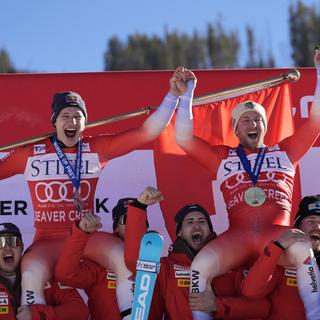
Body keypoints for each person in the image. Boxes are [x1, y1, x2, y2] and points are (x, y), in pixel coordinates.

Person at [0, 67, 190, 314]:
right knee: (31, 271)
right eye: (65, 116)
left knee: (124, 259)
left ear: (85, 123)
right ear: (54, 122)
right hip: (47, 240)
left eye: (78, 117)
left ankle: (132, 315)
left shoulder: (96, 147)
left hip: (87, 238)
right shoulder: (30, 153)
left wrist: (173, 96)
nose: (72, 122)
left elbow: (146, 133)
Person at [174, 51, 320, 319]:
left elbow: (316, 121)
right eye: (246, 121)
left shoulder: (285, 152)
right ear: (236, 130)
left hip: (276, 233)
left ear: (265, 127)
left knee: (303, 250)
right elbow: (183, 139)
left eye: (258, 121)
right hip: (237, 237)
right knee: (199, 267)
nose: (253, 124)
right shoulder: (222, 157)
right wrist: (187, 94)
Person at [124, 189, 271, 319]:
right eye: (189, 222)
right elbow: (136, 264)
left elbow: (262, 308)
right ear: (179, 232)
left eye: (202, 221)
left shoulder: (231, 263)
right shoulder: (165, 268)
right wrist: (139, 207)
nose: (196, 225)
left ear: (210, 230)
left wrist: (218, 305)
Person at [54, 194, 150, 320]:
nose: (134, 224)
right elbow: (65, 274)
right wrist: (81, 233)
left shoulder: (156, 262)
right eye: (127, 220)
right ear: (116, 226)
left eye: (139, 219)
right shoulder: (100, 264)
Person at [241, 195, 320, 320]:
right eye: (311, 221)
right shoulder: (282, 258)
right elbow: (251, 291)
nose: (318, 227)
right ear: (297, 227)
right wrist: (277, 247)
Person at [0, 222, 89, 320]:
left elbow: (80, 310)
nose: (7, 247)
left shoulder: (43, 273)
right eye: (0, 243)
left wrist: (38, 314)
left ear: (21, 247)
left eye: (13, 241)